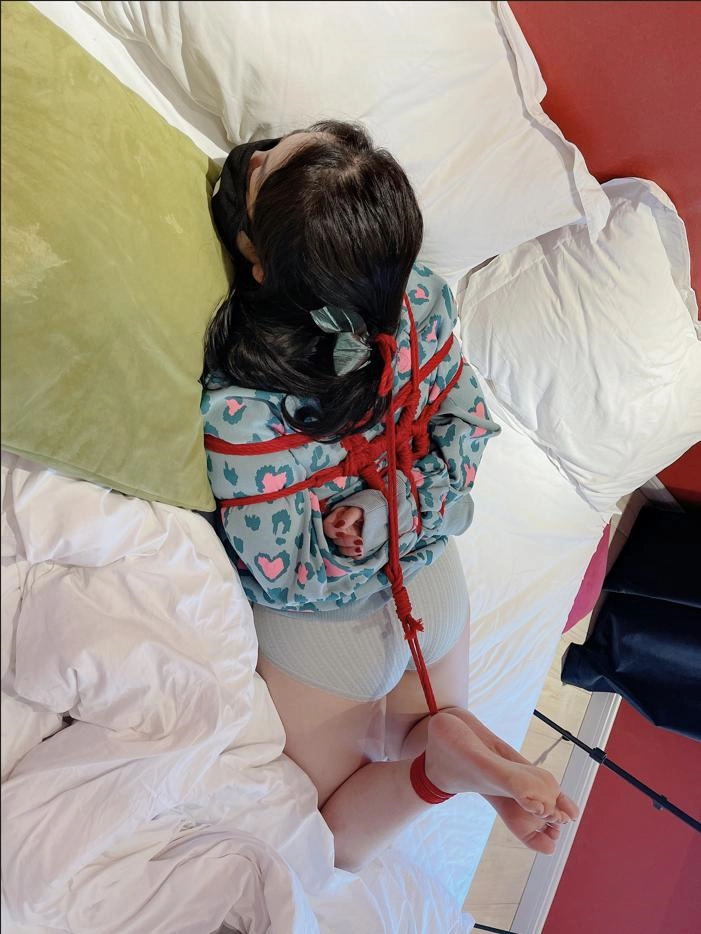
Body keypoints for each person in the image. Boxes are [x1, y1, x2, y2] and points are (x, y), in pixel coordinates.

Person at [201, 120, 579, 872]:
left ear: (260, 264)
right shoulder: (423, 301)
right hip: (430, 577)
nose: (259, 150)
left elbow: (284, 572)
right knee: (408, 735)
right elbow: (466, 430)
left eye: (267, 162)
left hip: (326, 626)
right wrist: (399, 510)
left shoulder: (244, 398)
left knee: (336, 842)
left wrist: (368, 523)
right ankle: (452, 750)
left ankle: (443, 770)